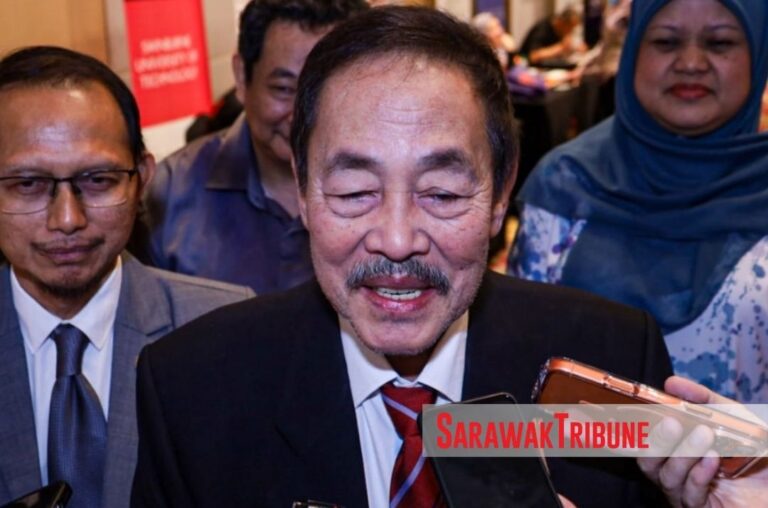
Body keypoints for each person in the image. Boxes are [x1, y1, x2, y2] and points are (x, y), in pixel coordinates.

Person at [131, 7, 674, 508]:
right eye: (354, 192)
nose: (396, 240)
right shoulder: (194, 391)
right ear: (303, 188)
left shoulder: (610, 364)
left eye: (441, 193)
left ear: (500, 194)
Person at [0, 46, 254, 508]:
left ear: (142, 178)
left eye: (98, 180)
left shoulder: (229, 330)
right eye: (28, 184)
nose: (68, 219)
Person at [509, 0, 768, 402]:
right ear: (632, 51)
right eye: (666, 42)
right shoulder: (565, 184)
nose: (691, 63)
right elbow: (517, 361)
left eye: (719, 43)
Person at [139, 0, 369, 294]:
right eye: (284, 89)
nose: (303, 117)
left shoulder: (394, 187)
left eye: (325, 90)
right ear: (241, 77)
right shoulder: (167, 195)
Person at [519, 5, 586, 66]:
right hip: (527, 65)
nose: (571, 32)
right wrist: (561, 47)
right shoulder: (542, 29)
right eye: (570, 28)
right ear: (561, 22)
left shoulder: (562, 31)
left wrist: (575, 48)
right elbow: (533, 56)